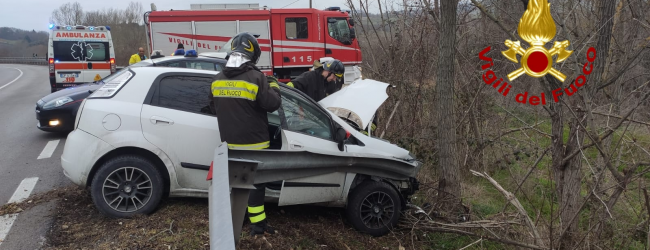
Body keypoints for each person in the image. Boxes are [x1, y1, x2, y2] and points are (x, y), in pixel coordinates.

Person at [210, 32, 281, 236]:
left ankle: (238, 222)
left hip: (230, 145)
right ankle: (257, 227)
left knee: (237, 186)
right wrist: (274, 85)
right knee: (256, 188)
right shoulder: (257, 78)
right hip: (256, 146)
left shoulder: (217, 79)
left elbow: (213, 107)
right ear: (253, 55)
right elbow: (273, 104)